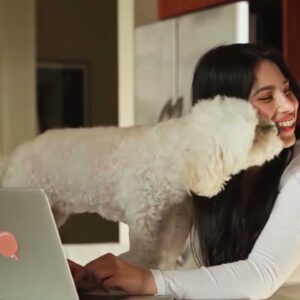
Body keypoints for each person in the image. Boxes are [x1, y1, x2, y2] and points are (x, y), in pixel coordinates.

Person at [68, 43, 300, 299]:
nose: (290, 105)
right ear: (224, 109)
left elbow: (260, 275)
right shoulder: (204, 169)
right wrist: (93, 277)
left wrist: (147, 280)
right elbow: (160, 262)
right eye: (267, 97)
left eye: (288, 91)